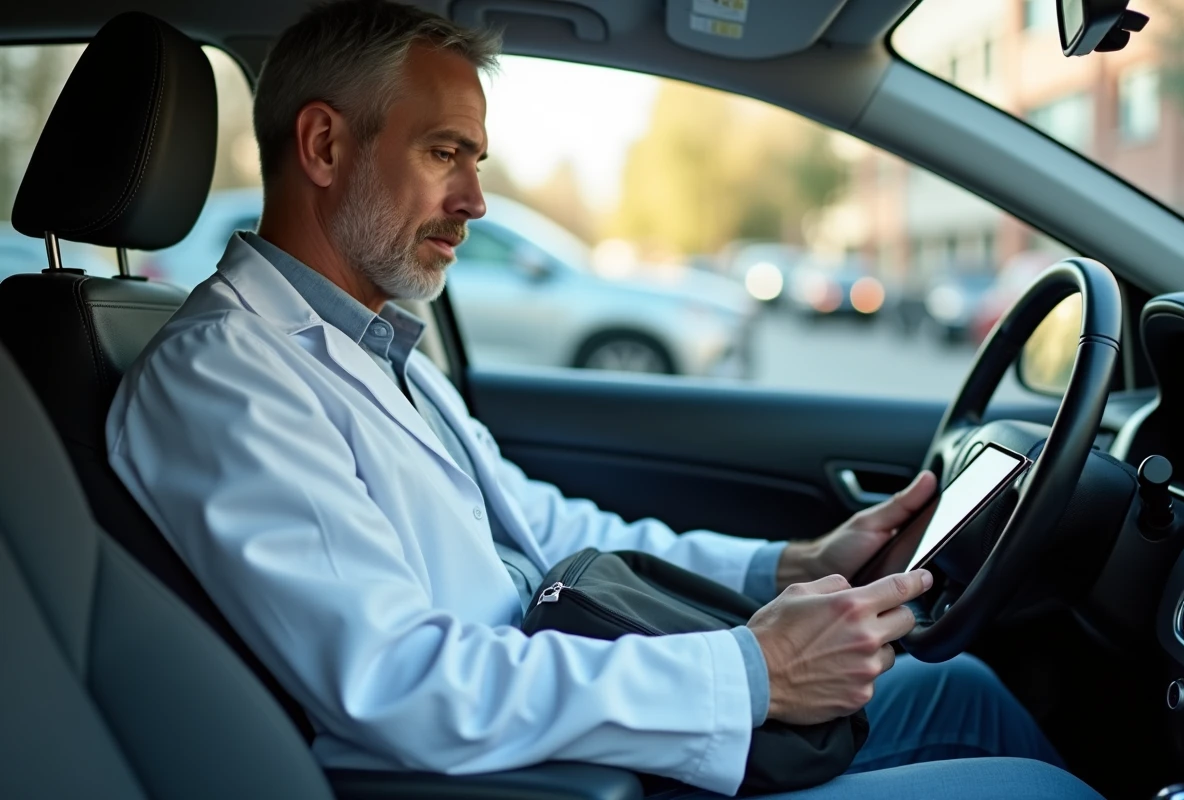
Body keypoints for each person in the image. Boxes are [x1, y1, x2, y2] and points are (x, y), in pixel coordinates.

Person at [105, 2, 1101, 798]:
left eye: (476, 161)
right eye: (444, 153)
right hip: (541, 770)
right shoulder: (225, 378)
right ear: (324, 147)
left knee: (961, 689)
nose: (476, 202)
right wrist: (753, 672)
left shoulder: (372, 345)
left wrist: (783, 565)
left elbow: (544, 527)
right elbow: (398, 684)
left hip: (585, 710)